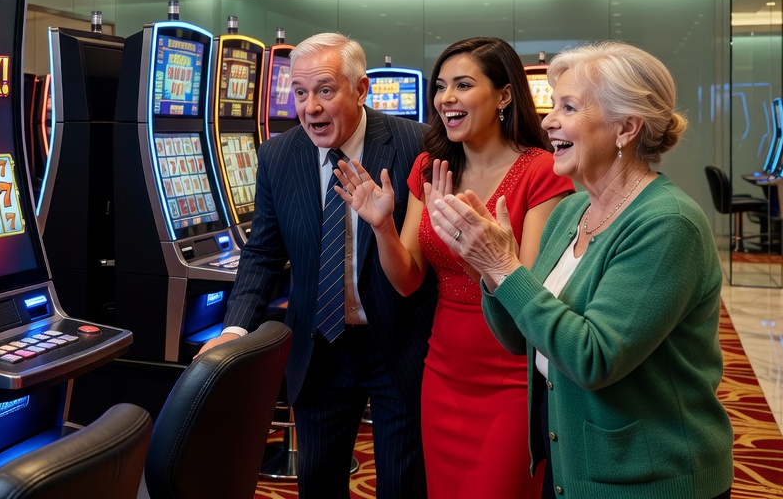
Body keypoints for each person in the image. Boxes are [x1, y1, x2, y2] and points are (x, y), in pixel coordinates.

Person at [430, 40, 734, 499]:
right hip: (572, 462)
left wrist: (503, 265)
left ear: (626, 128)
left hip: (651, 478)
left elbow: (594, 358)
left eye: (568, 107)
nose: (549, 120)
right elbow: (518, 337)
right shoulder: (573, 210)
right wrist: (486, 267)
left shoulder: (667, 223)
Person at [333, 37, 572, 498]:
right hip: (441, 371)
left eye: (463, 85)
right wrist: (381, 226)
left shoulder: (543, 170)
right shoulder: (430, 165)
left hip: (510, 374)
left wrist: (474, 245)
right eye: (440, 86)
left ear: (504, 95)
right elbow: (406, 281)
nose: (446, 98)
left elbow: (530, 297)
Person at [199, 32, 435, 499]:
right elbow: (263, 253)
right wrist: (234, 329)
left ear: (361, 89)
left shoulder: (415, 144)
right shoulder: (277, 155)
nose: (310, 107)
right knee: (318, 486)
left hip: (397, 344)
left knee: (402, 487)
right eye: (301, 93)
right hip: (319, 345)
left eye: (325, 91)